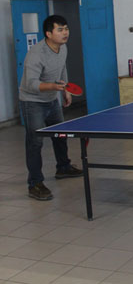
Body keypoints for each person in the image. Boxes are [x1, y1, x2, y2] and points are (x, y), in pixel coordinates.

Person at [20, 15, 83, 201]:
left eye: (66, 29)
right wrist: (54, 87)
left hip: (52, 99)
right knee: (35, 142)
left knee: (60, 135)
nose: (65, 33)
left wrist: (66, 90)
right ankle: (35, 184)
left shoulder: (63, 48)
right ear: (48, 34)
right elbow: (31, 84)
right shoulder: (36, 54)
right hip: (32, 101)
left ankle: (63, 167)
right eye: (60, 30)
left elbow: (62, 68)